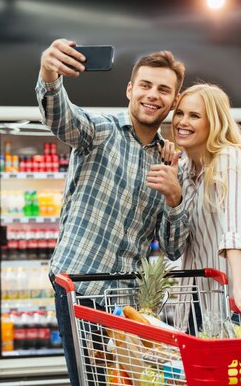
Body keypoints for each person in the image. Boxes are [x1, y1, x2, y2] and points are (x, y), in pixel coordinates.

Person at [36, 38, 189, 385]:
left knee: (124, 382)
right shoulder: (101, 130)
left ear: (174, 100)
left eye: (163, 90)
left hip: (125, 299)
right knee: (90, 381)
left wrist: (174, 198)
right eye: (146, 85)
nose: (153, 95)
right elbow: (60, 117)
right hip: (79, 287)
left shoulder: (168, 160)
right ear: (130, 89)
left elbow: (172, 248)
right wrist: (49, 72)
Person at [149, 83, 241, 328]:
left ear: (213, 122)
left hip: (231, 301)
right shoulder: (184, 170)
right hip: (195, 299)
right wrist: (173, 194)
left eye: (194, 116)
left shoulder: (227, 158)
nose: (182, 122)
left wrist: (239, 289)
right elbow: (174, 247)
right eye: (180, 113)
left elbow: (233, 229)